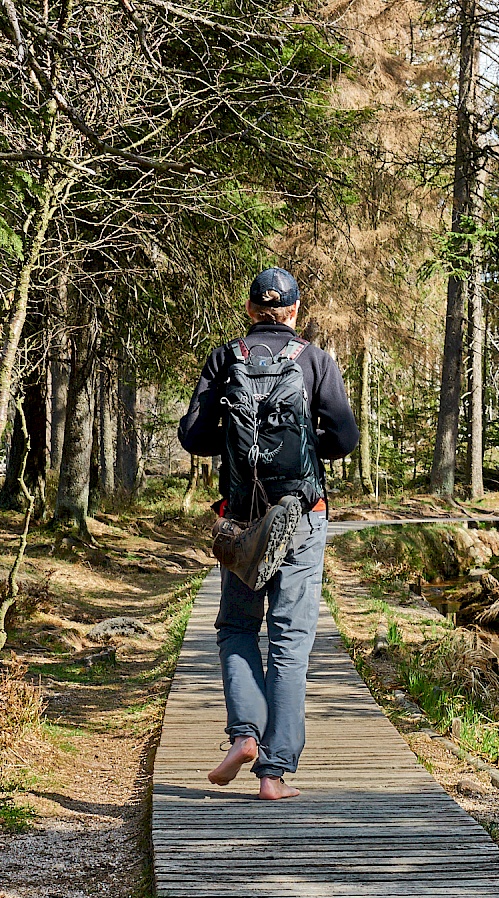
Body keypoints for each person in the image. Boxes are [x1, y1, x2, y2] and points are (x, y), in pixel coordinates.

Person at [178, 267, 359, 800]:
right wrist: (305, 450)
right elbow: (345, 436)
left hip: (242, 520)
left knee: (237, 627)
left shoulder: (225, 357)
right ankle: (275, 775)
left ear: (253, 310)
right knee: (291, 640)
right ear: (295, 312)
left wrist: (237, 447)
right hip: (302, 513)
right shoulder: (314, 360)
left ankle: (242, 734)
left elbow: (193, 436)